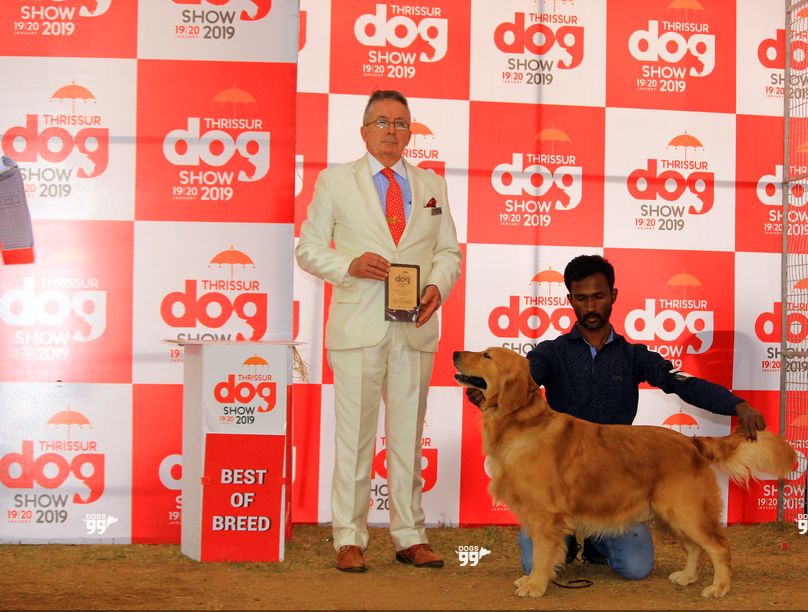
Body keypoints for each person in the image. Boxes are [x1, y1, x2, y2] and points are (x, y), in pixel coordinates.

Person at [468, 254, 765, 580]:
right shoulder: (550, 353)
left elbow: (680, 382)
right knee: (531, 562)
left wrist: (735, 405)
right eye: (582, 298)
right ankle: (568, 538)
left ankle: (599, 542)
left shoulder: (633, 356)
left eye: (598, 296)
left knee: (636, 567)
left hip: (612, 484)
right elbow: (519, 383)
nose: (590, 306)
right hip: (558, 485)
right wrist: (485, 390)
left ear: (613, 296)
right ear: (570, 300)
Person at [296, 89, 462, 572]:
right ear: (364, 131)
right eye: (383, 122)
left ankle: (410, 535)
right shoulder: (334, 181)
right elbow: (308, 248)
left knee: (408, 437)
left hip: (415, 327)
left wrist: (437, 287)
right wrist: (347, 264)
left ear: (410, 133)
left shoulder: (432, 184)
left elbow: (448, 252)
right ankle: (349, 537)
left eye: (401, 123)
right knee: (354, 438)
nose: (392, 131)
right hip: (358, 328)